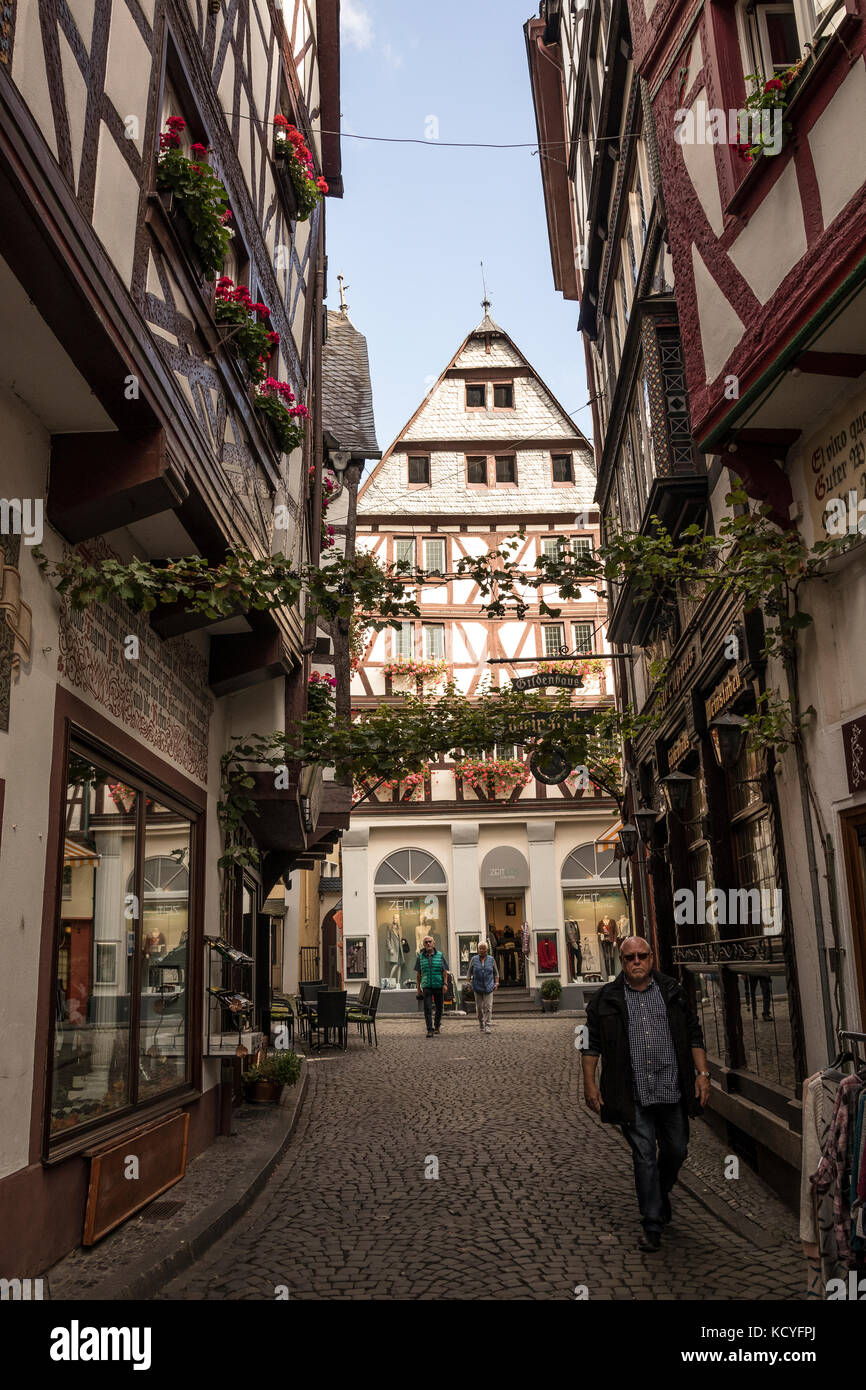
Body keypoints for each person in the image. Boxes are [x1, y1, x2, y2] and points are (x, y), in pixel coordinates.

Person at [582, 936, 710, 1252]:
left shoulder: (672, 992)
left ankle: (660, 1194)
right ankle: (652, 1224)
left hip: (672, 1088)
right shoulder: (606, 999)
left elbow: (694, 1033)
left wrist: (703, 1075)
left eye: (641, 956)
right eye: (629, 958)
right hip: (631, 1092)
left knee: (677, 1149)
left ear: (651, 958)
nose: (636, 962)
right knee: (644, 1156)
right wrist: (589, 1083)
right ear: (621, 962)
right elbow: (591, 1044)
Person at [415, 935, 450, 1037]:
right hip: (426, 986)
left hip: (438, 985)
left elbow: (444, 971)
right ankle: (429, 1029)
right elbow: (418, 974)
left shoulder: (440, 955)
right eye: (426, 942)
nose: (428, 944)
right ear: (423, 944)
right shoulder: (420, 957)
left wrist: (445, 984)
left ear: (434, 943)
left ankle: (437, 1026)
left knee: (439, 1008)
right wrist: (418, 988)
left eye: (430, 942)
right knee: (427, 1008)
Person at [466, 941, 499, 1033]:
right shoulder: (474, 959)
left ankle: (488, 1025)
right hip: (477, 986)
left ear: (487, 950)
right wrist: (468, 984)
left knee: (488, 1007)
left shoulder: (491, 959)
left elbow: (496, 973)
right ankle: (481, 1023)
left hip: (489, 986)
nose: (481, 950)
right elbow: (469, 972)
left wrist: (496, 983)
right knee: (479, 1008)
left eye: (483, 948)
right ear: (478, 950)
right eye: (480, 948)